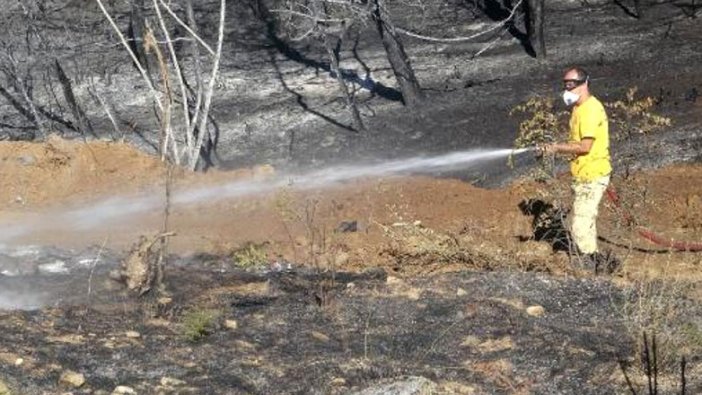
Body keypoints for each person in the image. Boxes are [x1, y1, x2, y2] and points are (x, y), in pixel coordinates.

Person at [540, 67, 619, 274]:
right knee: (586, 222)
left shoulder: (591, 110)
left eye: (570, 84)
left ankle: (589, 266)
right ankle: (600, 264)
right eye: (565, 84)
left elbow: (585, 147)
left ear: (584, 83)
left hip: (593, 174)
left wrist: (556, 148)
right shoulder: (578, 108)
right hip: (582, 174)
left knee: (580, 225)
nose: (567, 88)